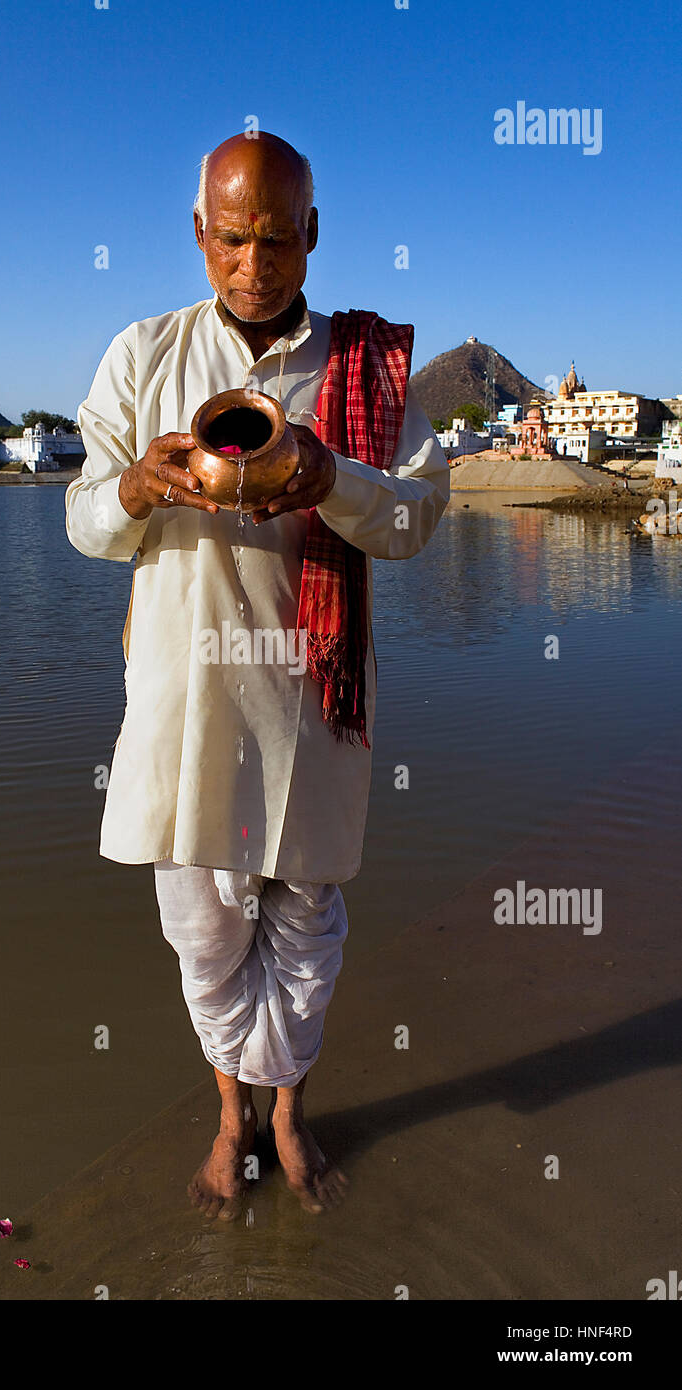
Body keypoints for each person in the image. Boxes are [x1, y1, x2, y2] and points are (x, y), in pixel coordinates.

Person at [65, 132, 450, 1219]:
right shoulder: (141, 358)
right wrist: (137, 491)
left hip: (309, 699)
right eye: (230, 240)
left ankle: (285, 1109)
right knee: (201, 934)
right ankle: (232, 1112)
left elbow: (420, 515)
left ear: (312, 235)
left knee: (305, 930)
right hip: (182, 699)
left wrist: (332, 476)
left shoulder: (364, 366)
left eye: (276, 239)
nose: (252, 265)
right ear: (198, 235)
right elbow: (83, 522)